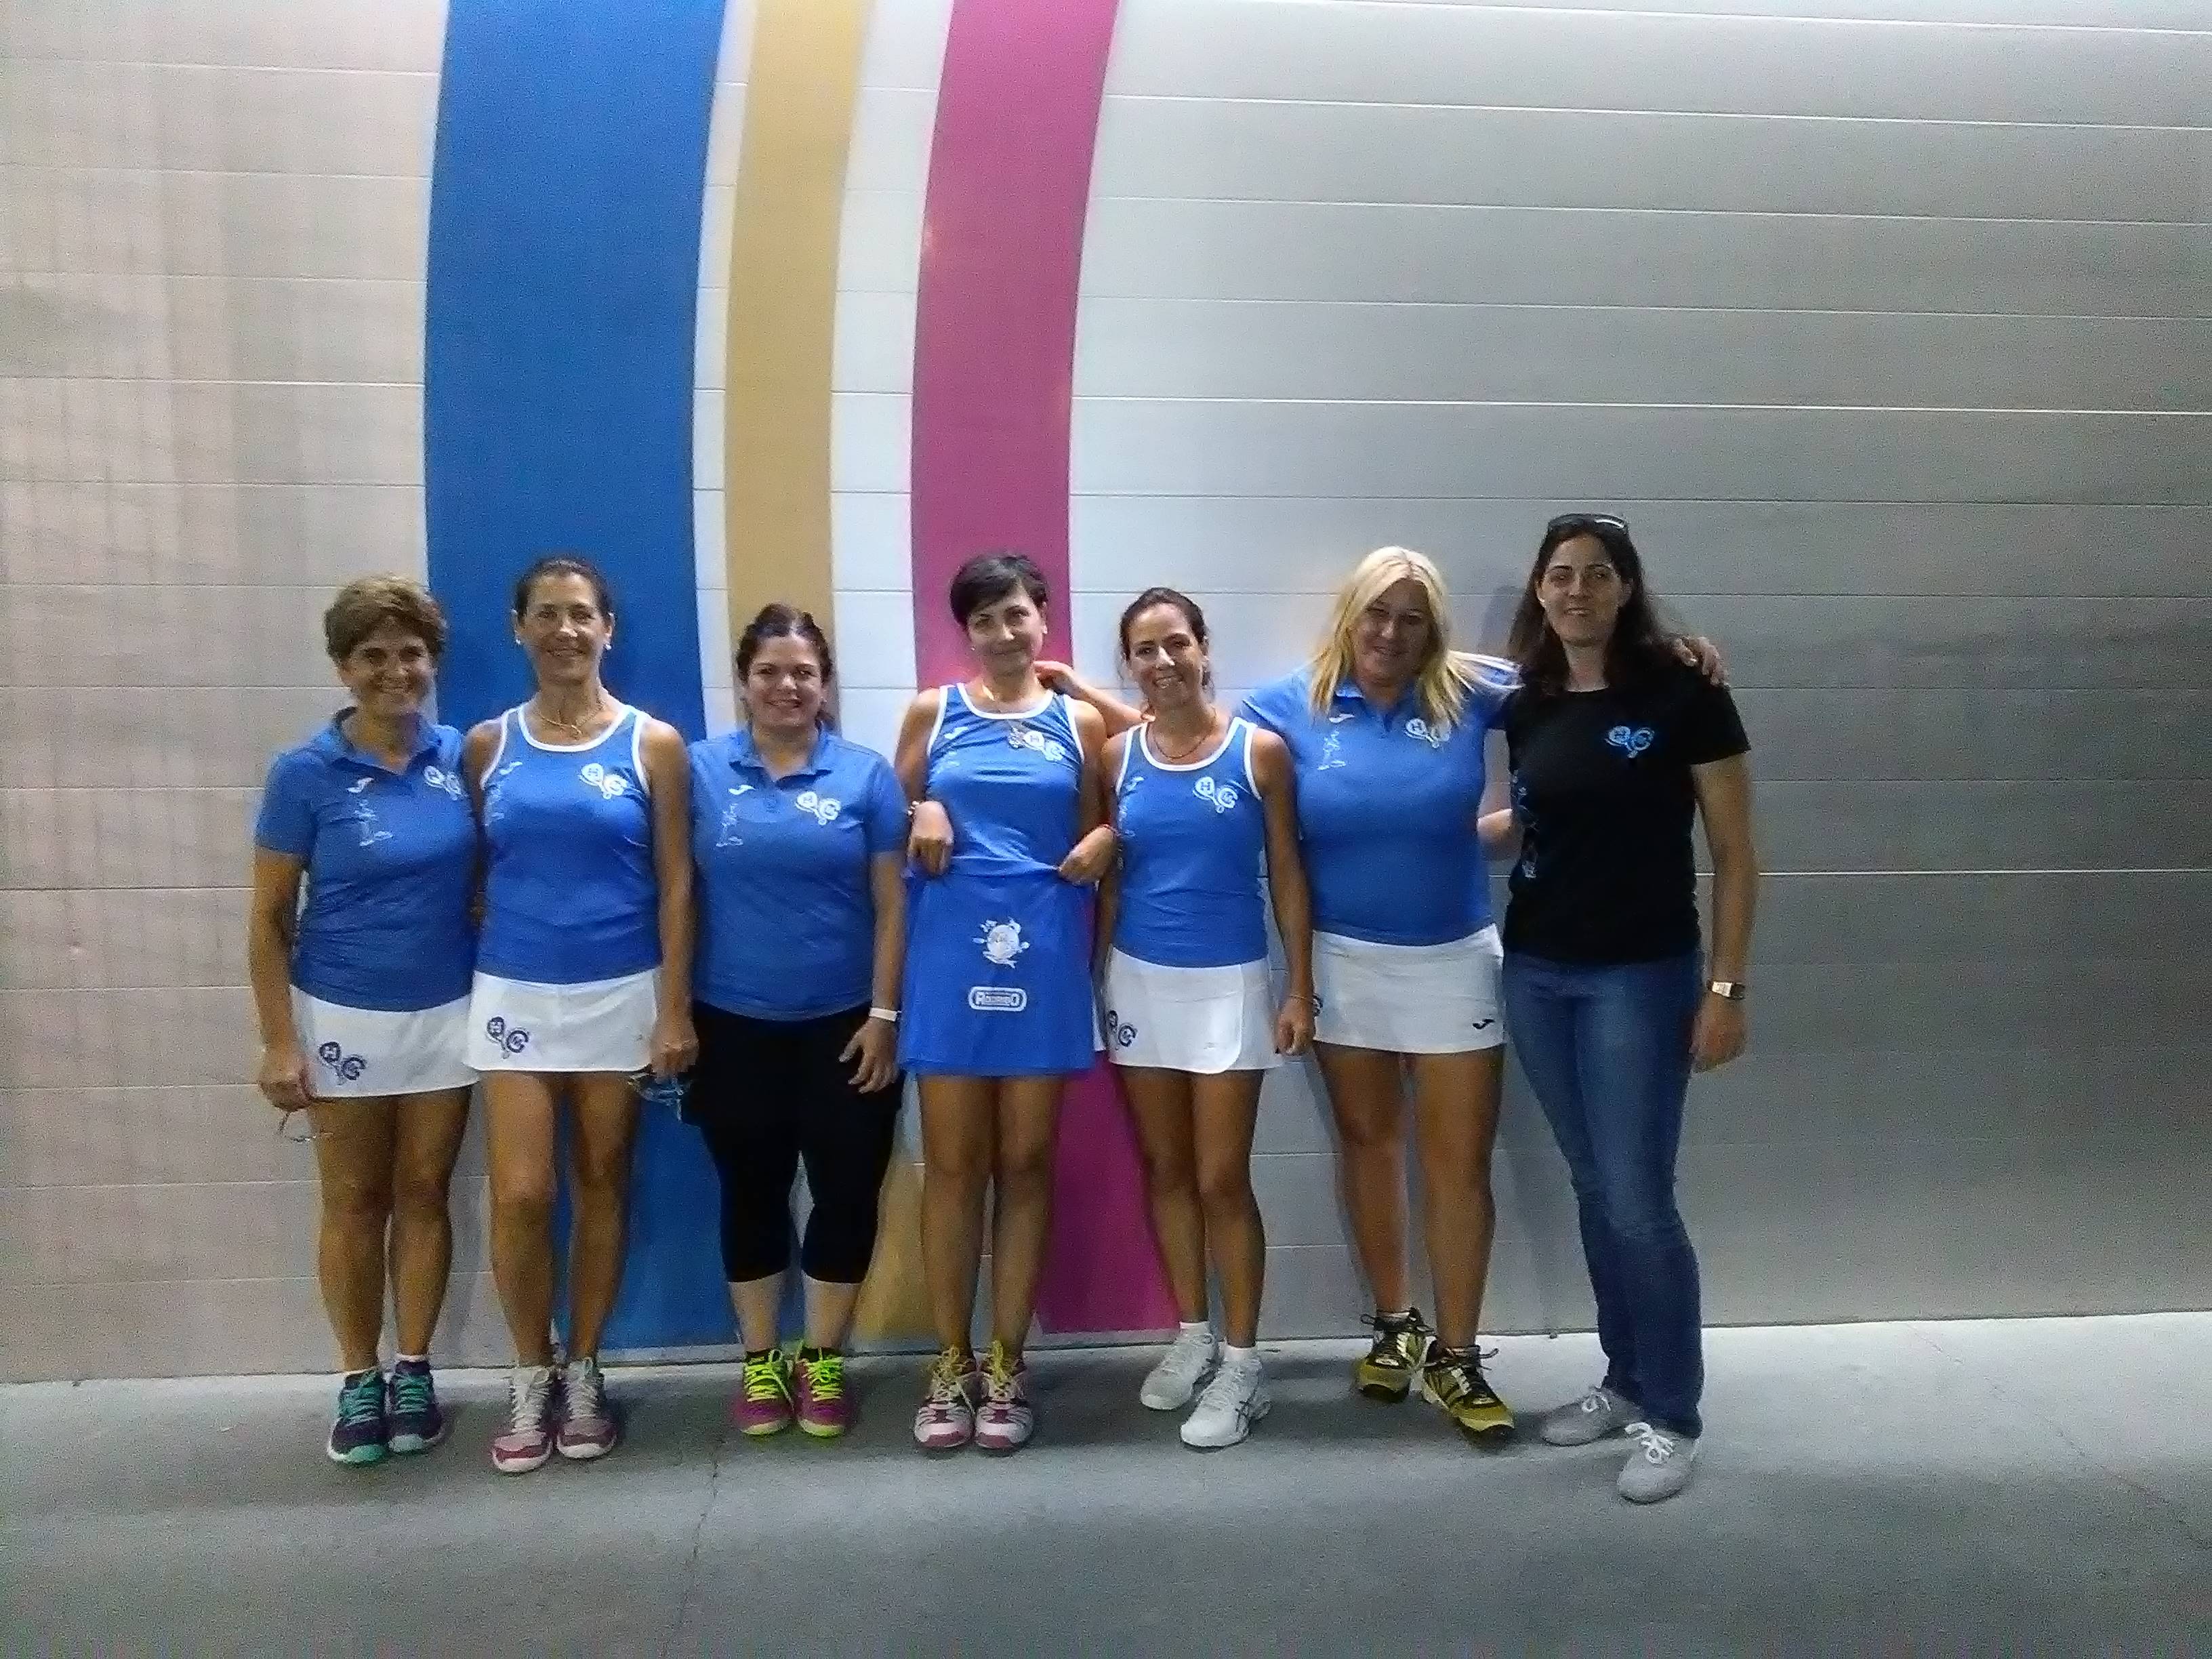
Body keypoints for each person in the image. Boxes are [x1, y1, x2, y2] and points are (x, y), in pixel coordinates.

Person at [1486, 513, 1758, 1504]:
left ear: (1627, 587)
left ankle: (1674, 1415)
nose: (1578, 591)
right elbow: (1540, 816)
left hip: (1640, 979)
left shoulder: (1687, 692)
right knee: (1596, 1186)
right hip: (1537, 974)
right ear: (1540, 589)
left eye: (1598, 575)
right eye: (1561, 575)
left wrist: (1725, 989)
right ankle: (1627, 1376)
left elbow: (1736, 855)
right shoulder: (1528, 700)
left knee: (1639, 1200)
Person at [462, 555, 696, 1475]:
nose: (565, 630)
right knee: (523, 1193)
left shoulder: (654, 744)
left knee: (603, 1181)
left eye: (582, 615)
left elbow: (677, 883)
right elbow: (476, 873)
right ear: (519, 628)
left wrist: (673, 1008)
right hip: (513, 992)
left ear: (608, 629)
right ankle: (532, 1370)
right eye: (547, 615)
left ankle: (586, 1368)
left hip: (620, 992)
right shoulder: (488, 745)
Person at [249, 575, 476, 1467]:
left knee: (424, 1193)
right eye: (373, 656)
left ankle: (413, 1369)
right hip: (341, 1011)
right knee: (354, 1200)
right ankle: (357, 1376)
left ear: (432, 661)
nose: (395, 671)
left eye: (411, 654)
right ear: (344, 668)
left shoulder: (462, 757)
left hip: (449, 1012)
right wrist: (279, 1041)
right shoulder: (304, 774)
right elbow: (268, 920)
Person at [896, 552, 1116, 1454]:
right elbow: (882, 821)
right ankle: (950, 1360)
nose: (1001, 632)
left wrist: (1108, 838)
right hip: (949, 957)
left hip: (1047, 955)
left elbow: (1112, 815)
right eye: (983, 619)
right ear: (967, 632)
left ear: (1043, 618)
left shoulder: (1079, 720)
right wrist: (920, 810)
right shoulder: (934, 712)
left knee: (1025, 1165)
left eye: (1016, 614)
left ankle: (1006, 1360)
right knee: (953, 1168)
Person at [1092, 589, 1313, 1450]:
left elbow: (1287, 873)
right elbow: (1112, 881)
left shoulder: (1260, 753)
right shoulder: (1116, 758)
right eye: (1145, 650)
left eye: (1176, 643)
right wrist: (1090, 981)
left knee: (1222, 1178)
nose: (1163, 662)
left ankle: (1245, 1364)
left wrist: (1298, 988)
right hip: (1139, 981)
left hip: (1230, 985)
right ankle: (1194, 1335)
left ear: (1204, 648)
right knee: (1167, 1168)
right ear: (1129, 666)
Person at [687, 604, 907, 1441]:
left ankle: (821, 1359)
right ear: (743, 681)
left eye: (804, 672)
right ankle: (759, 1361)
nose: (787, 686)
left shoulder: (866, 776)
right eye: (770, 671)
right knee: (751, 1194)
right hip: (731, 1025)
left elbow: (892, 907)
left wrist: (883, 1016)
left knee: (847, 1194)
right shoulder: (699, 771)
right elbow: (672, 891)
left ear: (825, 685)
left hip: (848, 1029)